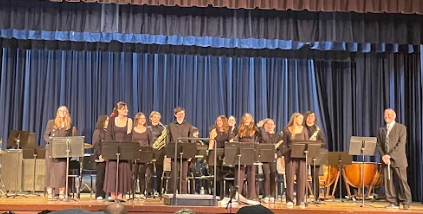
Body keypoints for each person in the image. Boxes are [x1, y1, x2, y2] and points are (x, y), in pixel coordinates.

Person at [376, 109, 411, 210]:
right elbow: (379, 144)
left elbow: (400, 144)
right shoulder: (381, 129)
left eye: (389, 114)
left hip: (398, 159)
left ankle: (406, 202)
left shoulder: (401, 128)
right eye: (385, 114)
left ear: (394, 116)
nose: (386, 116)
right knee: (388, 182)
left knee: (402, 181)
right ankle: (392, 201)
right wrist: (383, 156)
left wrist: (390, 155)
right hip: (386, 160)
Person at [44, 106, 76, 200]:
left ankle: (61, 193)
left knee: (61, 172)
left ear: (67, 113)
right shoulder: (51, 122)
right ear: (58, 112)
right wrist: (50, 141)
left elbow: (70, 137)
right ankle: (50, 194)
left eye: (64, 111)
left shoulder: (69, 124)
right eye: (61, 111)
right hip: (51, 150)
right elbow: (46, 135)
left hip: (62, 152)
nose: (62, 112)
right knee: (50, 172)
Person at [103, 102, 133, 200]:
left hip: (124, 149)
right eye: (124, 109)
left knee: (123, 170)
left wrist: (123, 148)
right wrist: (110, 149)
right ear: (119, 110)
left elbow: (129, 137)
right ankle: (112, 195)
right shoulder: (112, 120)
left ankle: (120, 195)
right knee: (112, 169)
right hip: (113, 149)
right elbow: (109, 135)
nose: (126, 111)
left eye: (127, 109)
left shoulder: (129, 121)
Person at [166, 107, 196, 194]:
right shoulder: (171, 125)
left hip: (185, 152)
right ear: (175, 115)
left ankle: (183, 193)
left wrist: (191, 154)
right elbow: (168, 139)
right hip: (174, 152)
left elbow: (192, 140)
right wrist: (168, 154)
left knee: (183, 175)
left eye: (182, 114)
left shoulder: (188, 125)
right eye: (179, 114)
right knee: (174, 175)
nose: (181, 116)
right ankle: (173, 193)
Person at [282, 113, 308, 209]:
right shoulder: (287, 130)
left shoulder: (304, 129)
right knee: (289, 178)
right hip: (290, 157)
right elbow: (284, 145)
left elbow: (306, 142)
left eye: (302, 118)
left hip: (301, 158)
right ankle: (289, 200)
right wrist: (283, 156)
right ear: (295, 118)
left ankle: (300, 200)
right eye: (300, 118)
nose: (302, 120)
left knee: (302, 179)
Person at [256, 118, 282, 203]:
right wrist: (260, 129)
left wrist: (277, 154)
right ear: (264, 126)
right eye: (268, 124)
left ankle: (273, 195)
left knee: (273, 176)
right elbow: (262, 141)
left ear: (274, 126)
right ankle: (266, 195)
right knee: (266, 176)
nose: (270, 126)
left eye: (272, 124)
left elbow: (281, 148)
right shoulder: (262, 134)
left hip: (274, 158)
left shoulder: (278, 135)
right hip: (264, 158)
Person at [235, 113, 260, 200]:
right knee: (240, 171)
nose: (247, 119)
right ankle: (237, 194)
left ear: (251, 119)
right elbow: (233, 138)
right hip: (241, 151)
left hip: (251, 151)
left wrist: (260, 128)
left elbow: (262, 137)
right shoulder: (239, 128)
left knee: (251, 172)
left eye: (248, 117)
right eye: (245, 117)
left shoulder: (254, 129)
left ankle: (252, 195)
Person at [303, 111, 325, 202]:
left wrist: (315, 144)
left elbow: (323, 143)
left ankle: (316, 197)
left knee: (315, 175)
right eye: (308, 116)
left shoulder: (318, 130)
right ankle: (304, 196)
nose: (310, 118)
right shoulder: (302, 128)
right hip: (303, 153)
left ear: (315, 118)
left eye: (312, 116)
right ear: (306, 117)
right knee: (303, 175)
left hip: (315, 154)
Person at [132, 112, 153, 199]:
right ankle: (132, 192)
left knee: (142, 174)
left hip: (144, 154)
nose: (143, 120)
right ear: (137, 120)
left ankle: (142, 192)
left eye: (144, 118)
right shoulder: (132, 129)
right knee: (133, 174)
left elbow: (150, 142)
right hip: (134, 153)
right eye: (141, 118)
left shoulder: (148, 130)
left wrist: (150, 154)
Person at [149, 111, 166, 196]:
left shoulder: (162, 129)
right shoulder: (148, 128)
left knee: (159, 172)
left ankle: (159, 191)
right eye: (155, 117)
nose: (156, 119)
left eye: (158, 118)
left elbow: (164, 139)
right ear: (151, 118)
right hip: (150, 150)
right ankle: (149, 191)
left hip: (160, 151)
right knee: (149, 172)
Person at [92, 115, 109, 200]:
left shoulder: (109, 132)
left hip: (109, 157)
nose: (108, 122)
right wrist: (100, 155)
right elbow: (96, 144)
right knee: (100, 176)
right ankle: (99, 194)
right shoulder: (98, 131)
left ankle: (107, 193)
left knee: (107, 176)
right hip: (100, 157)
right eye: (107, 120)